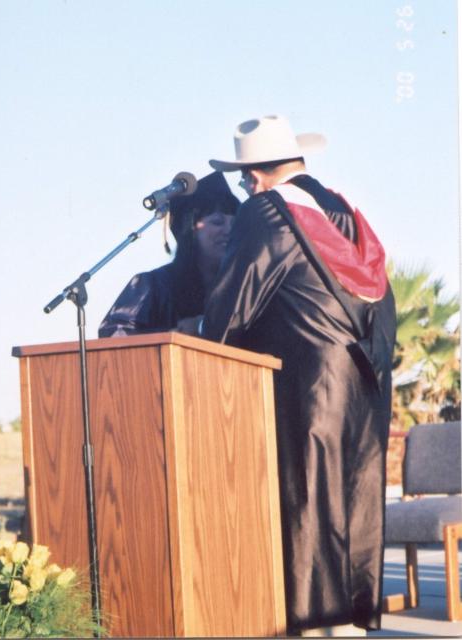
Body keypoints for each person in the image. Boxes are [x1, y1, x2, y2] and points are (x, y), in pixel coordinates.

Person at [184, 115, 397, 636]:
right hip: (364, 376)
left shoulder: (266, 210)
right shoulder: (345, 210)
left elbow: (234, 304)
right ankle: (352, 618)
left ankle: (316, 624)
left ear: (253, 176)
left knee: (310, 494)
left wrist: (203, 342)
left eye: (244, 179)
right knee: (355, 489)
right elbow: (383, 303)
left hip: (309, 379)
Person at [98, 171, 239, 337]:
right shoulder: (153, 285)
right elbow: (113, 334)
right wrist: (174, 336)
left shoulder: (243, 284)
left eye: (235, 223)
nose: (229, 230)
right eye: (217, 222)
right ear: (191, 230)